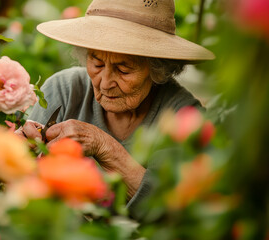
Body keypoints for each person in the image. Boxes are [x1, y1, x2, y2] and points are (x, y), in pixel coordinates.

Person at [15, 0, 214, 217]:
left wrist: (103, 146)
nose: (104, 82)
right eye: (97, 63)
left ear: (157, 67)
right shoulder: (63, 90)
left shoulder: (184, 116)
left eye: (123, 69)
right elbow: (22, 193)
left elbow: (170, 213)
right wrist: (17, 155)